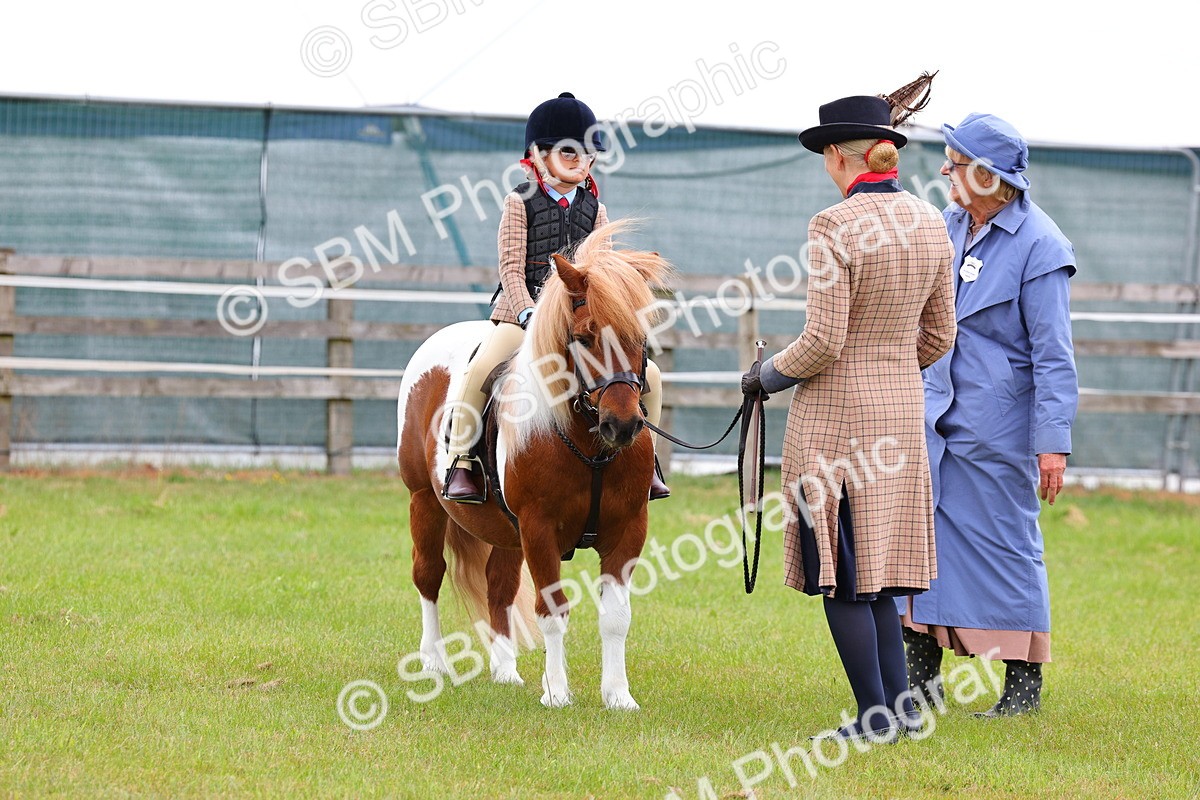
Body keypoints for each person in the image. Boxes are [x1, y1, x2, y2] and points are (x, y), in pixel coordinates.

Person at [742, 95, 957, 739]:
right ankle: (905, 711)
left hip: (835, 421)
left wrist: (764, 377)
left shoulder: (831, 226)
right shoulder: (931, 222)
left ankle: (873, 718)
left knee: (839, 574)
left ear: (842, 156)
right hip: (899, 414)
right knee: (882, 576)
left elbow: (823, 342)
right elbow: (939, 334)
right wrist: (890, 365)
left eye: (825, 158)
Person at [900, 113, 1078, 717]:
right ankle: (920, 684)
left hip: (998, 430)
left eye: (955, 163)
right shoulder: (948, 225)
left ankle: (1023, 688)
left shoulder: (1042, 245)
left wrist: (1052, 444)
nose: (945, 172)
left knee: (1010, 548)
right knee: (920, 546)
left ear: (987, 174)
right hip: (932, 420)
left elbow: (1055, 357)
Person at [443, 92, 670, 503]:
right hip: (521, 316)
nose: (579, 159)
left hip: (581, 322)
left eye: (587, 152)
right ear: (539, 153)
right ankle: (463, 461)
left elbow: (603, 274)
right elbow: (510, 269)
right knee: (481, 368)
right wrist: (528, 313)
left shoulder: (595, 209)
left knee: (649, 376)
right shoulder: (519, 201)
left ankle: (647, 463)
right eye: (568, 150)